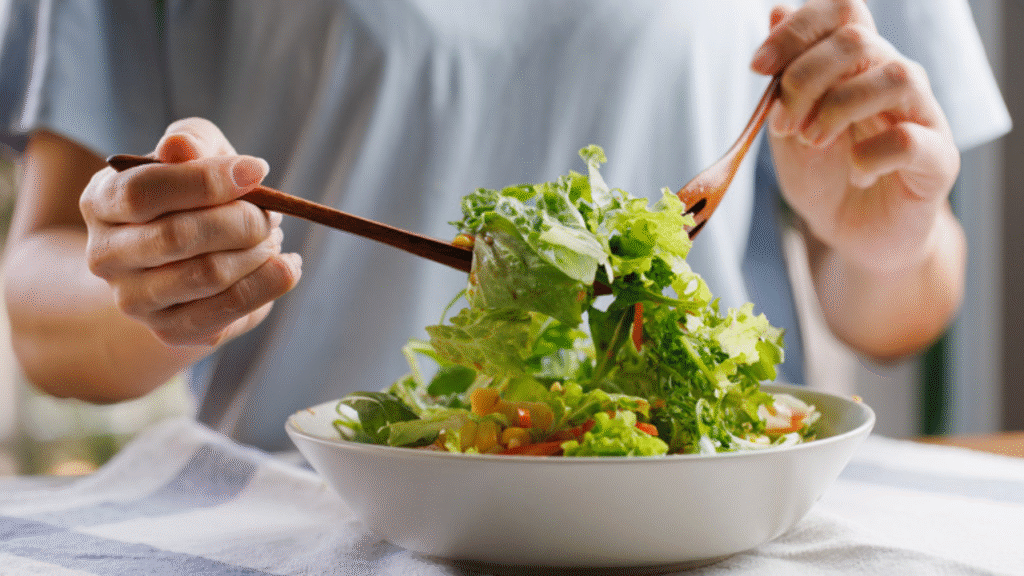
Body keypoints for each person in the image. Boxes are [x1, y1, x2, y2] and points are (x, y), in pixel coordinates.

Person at [2, 0, 1010, 451]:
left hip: (700, 513)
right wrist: (157, 286)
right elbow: (44, 295)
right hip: (302, 528)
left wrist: (886, 242)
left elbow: (904, 308)